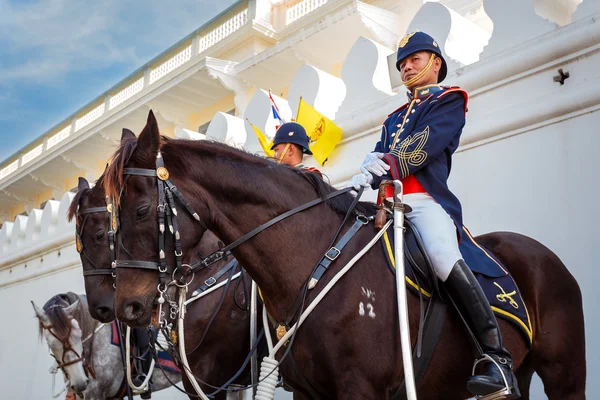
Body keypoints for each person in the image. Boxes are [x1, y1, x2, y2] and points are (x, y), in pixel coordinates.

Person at [348, 31, 520, 398]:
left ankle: (496, 357)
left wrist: (387, 163)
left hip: (423, 201)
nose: (406, 67)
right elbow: (383, 153)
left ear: (435, 62)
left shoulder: (449, 100)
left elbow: (426, 144)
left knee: (442, 256)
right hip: (385, 206)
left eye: (414, 59)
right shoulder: (393, 117)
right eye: (401, 63)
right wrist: (369, 162)